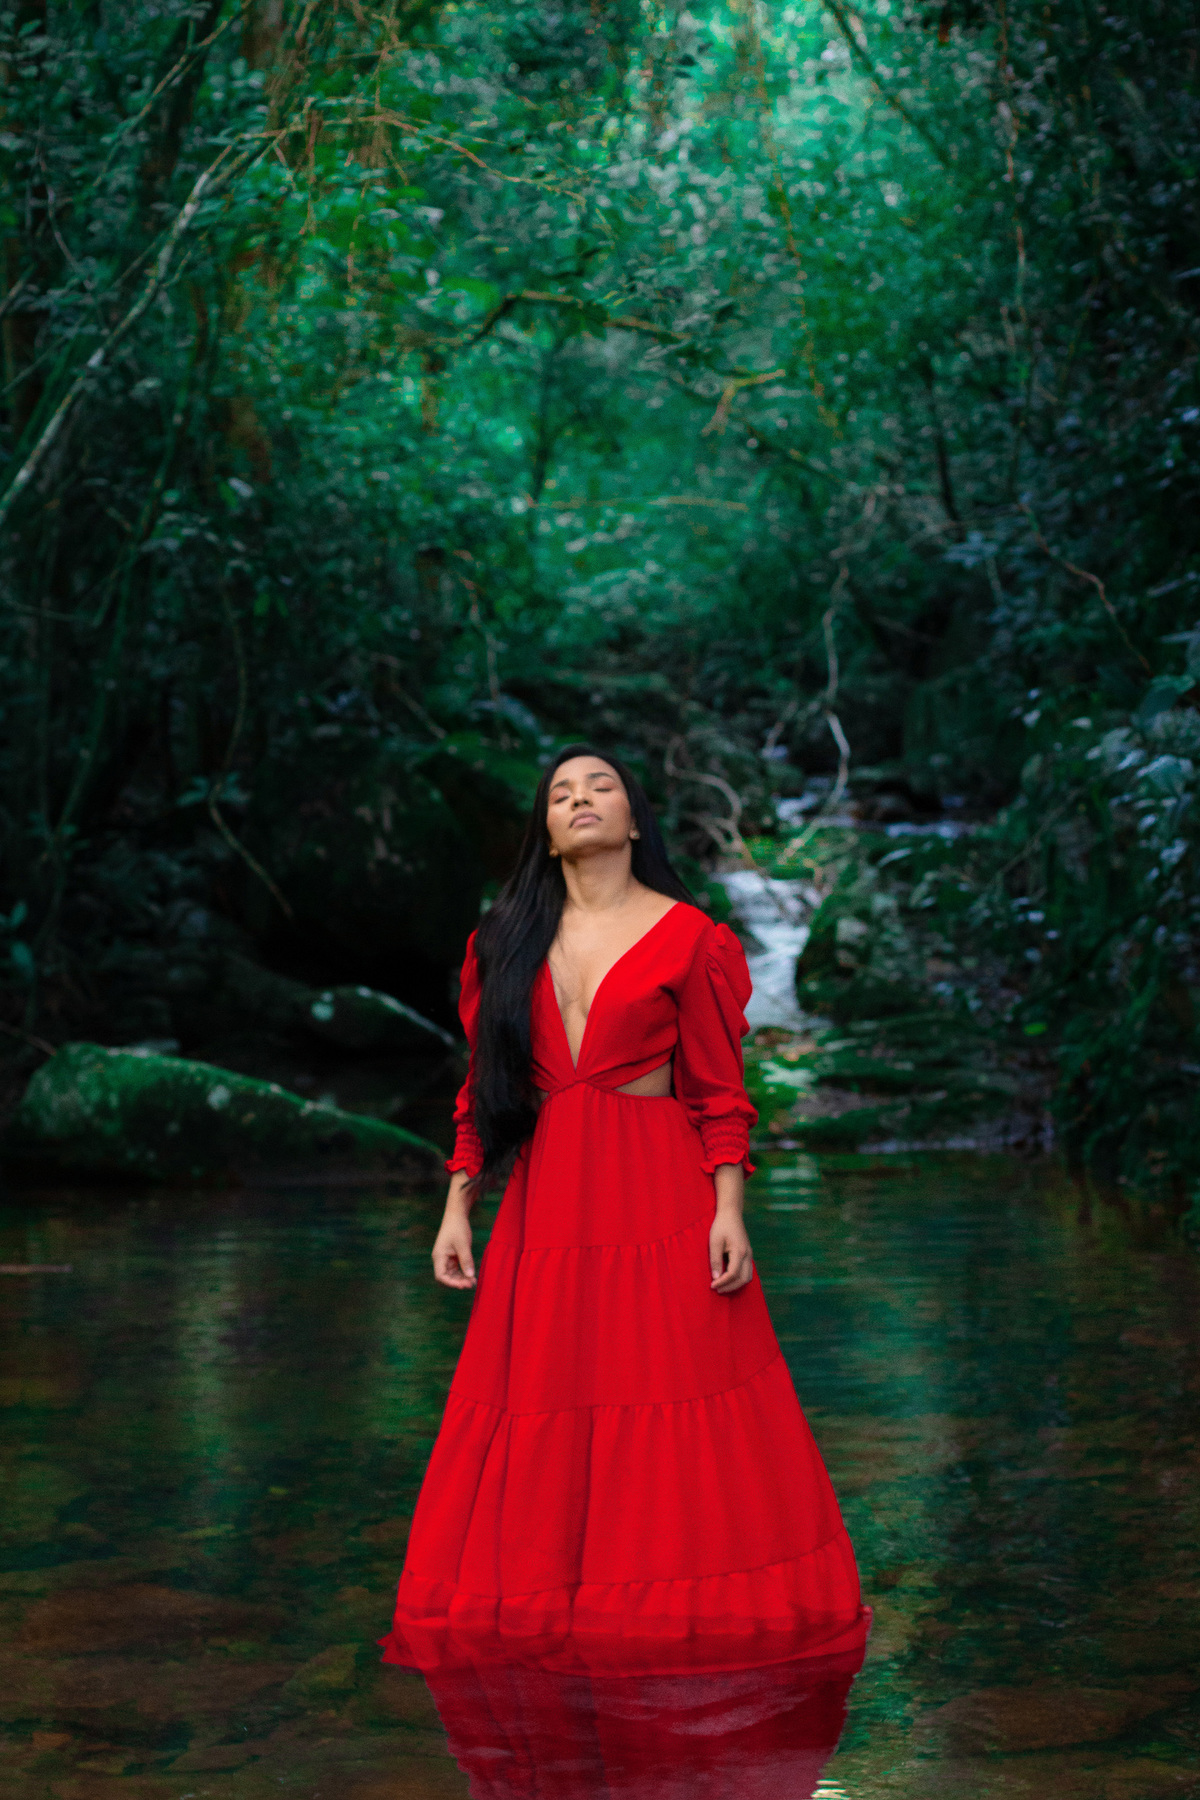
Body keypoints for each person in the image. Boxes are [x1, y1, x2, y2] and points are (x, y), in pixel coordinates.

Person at [382, 745, 868, 1676]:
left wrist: (730, 1208)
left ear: (634, 819)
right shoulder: (503, 942)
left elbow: (720, 1095)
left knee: (675, 1391)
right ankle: (547, 1609)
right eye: (561, 793)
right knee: (545, 1400)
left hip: (661, 1196)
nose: (580, 799)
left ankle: (674, 1618)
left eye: (600, 786)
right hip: (545, 1208)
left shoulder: (691, 937)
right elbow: (484, 1093)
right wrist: (457, 1205)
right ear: (545, 832)